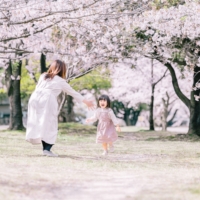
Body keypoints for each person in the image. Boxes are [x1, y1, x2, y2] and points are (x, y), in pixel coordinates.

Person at [26, 60, 94, 157]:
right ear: (63, 70)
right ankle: (47, 149)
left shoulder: (43, 76)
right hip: (47, 100)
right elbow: (72, 92)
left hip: (35, 98)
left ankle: (43, 146)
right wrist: (86, 101)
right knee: (51, 125)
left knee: (40, 122)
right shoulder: (60, 81)